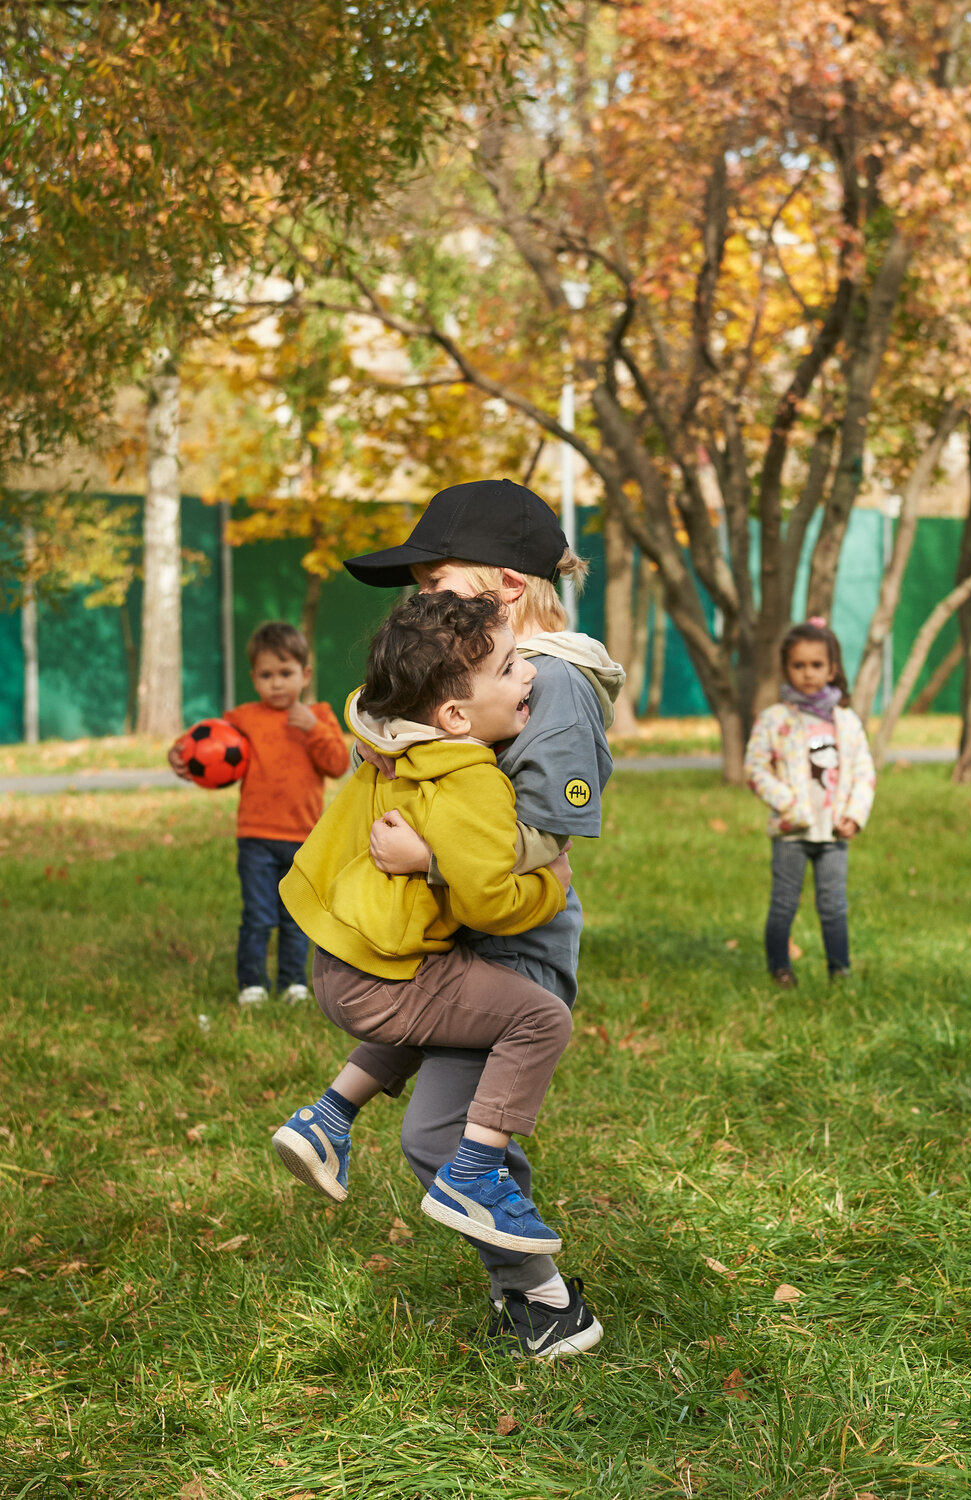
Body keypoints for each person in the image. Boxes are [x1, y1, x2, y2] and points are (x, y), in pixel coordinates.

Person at [338, 477, 624, 1359]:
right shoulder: (472, 672)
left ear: (505, 585)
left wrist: (434, 856)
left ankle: (546, 1303)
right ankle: (529, 1299)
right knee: (456, 1124)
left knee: (440, 1134)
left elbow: (547, 833)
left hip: (517, 940)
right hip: (466, 928)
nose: (420, 599)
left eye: (436, 581)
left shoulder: (552, 681)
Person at [274, 590, 576, 1258]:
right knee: (539, 1019)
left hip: (341, 958)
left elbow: (366, 700)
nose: (530, 674)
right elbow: (488, 903)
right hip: (382, 980)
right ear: (456, 716)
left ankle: (328, 1118)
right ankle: (475, 1172)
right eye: (509, 668)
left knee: (447, 1004)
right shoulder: (472, 780)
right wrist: (549, 887)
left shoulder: (388, 734)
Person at [167, 621, 349, 1006]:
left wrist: (313, 729)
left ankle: (293, 982)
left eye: (285, 673)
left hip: (303, 840)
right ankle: (252, 983)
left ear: (305, 674)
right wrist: (178, 751)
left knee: (295, 916)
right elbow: (204, 739)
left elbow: (336, 764)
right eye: (266, 676)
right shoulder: (245, 717)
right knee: (258, 915)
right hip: (256, 838)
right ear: (253, 678)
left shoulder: (319, 715)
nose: (276, 683)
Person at [744, 617, 876, 987]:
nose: (808, 673)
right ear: (786, 668)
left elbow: (864, 772)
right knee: (784, 903)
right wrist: (786, 802)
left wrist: (854, 815)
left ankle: (839, 971)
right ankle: (780, 970)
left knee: (834, 906)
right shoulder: (775, 719)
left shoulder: (847, 722)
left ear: (832, 669)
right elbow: (755, 767)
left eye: (816, 664)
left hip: (834, 832)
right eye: (798, 665)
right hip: (792, 832)